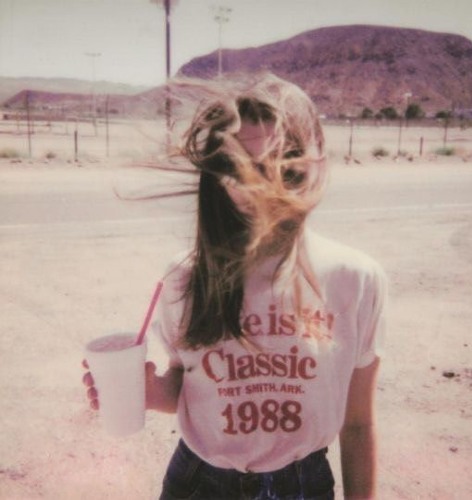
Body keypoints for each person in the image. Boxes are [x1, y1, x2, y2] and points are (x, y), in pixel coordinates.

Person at [83, 74, 387, 499]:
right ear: (217, 174)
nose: (261, 184)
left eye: (284, 160)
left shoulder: (355, 278)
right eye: (239, 166)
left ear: (316, 162)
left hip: (303, 485)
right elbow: (189, 384)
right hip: (200, 482)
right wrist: (149, 392)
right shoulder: (185, 277)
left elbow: (357, 424)